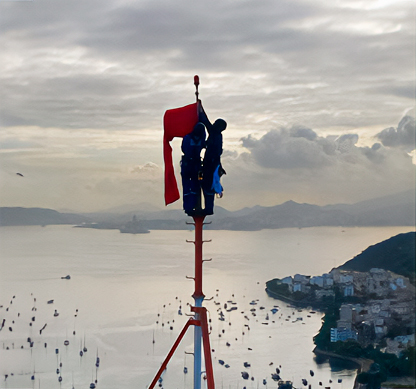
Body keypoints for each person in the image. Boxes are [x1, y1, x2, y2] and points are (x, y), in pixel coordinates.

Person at [198, 102, 227, 215]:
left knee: (207, 185)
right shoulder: (217, 136)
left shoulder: (215, 134)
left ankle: (209, 208)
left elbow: (205, 120)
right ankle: (209, 208)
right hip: (213, 164)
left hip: (211, 165)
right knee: (209, 185)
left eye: (216, 123)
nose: (213, 124)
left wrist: (199, 108)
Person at [180, 122, 206, 216]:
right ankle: (194, 205)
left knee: (187, 186)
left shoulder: (187, 137)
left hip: (187, 164)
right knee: (195, 186)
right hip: (195, 165)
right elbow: (203, 145)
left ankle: (188, 206)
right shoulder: (201, 139)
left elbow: (183, 149)